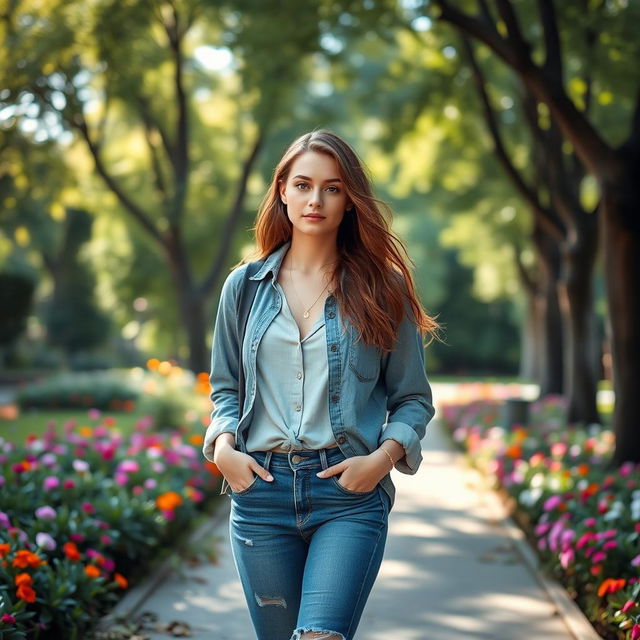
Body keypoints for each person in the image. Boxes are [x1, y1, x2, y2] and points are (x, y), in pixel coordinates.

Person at [202, 129, 440, 640]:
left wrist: (380, 462)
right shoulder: (242, 289)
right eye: (304, 184)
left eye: (332, 188)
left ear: (350, 201)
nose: (316, 200)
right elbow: (225, 389)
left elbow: (413, 399)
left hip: (347, 494)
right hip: (259, 494)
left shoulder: (382, 287)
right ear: (282, 191)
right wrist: (223, 448)